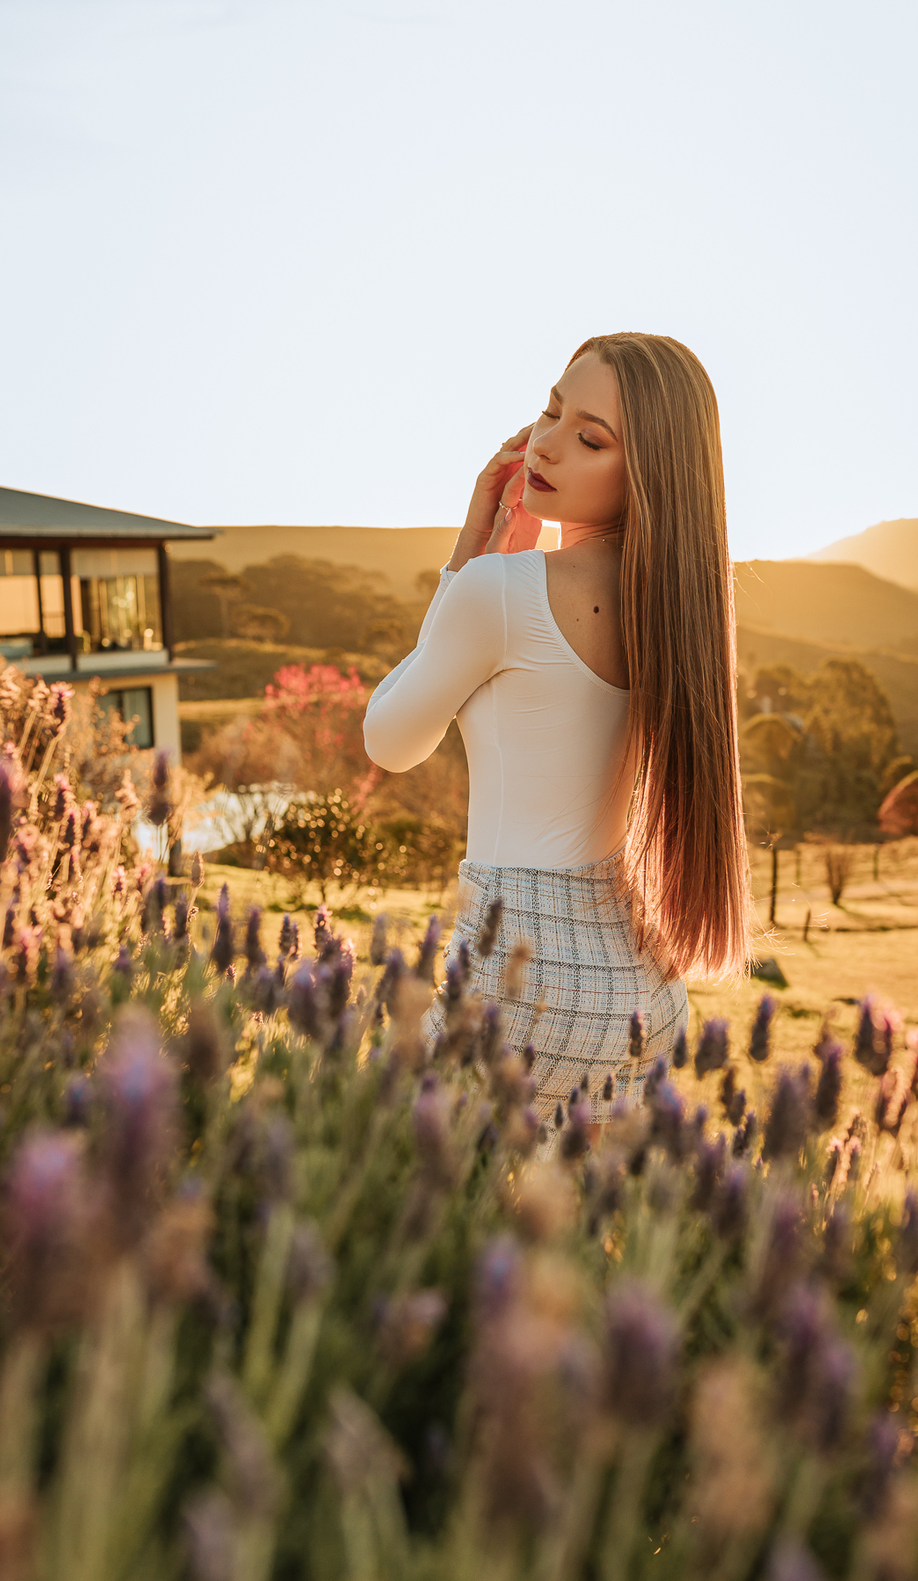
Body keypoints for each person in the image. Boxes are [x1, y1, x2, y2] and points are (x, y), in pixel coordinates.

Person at [363, 332, 752, 1137]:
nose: (546, 444)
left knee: (376, 1194)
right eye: (550, 410)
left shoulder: (499, 591)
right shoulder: (677, 604)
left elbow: (390, 740)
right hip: (645, 985)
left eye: (590, 438)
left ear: (644, 472)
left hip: (523, 984)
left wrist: (471, 551)